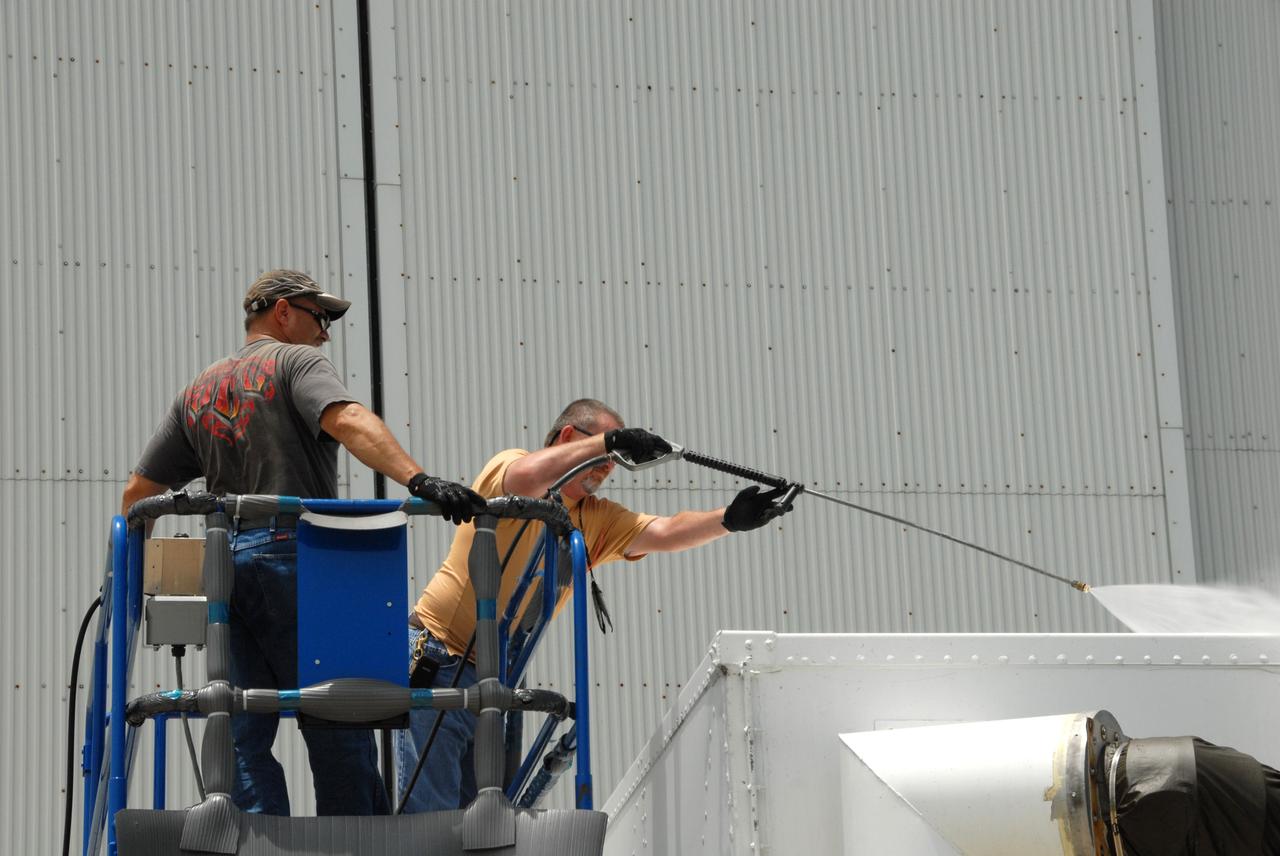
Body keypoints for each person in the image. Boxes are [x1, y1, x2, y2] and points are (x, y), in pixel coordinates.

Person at [120, 269, 485, 817]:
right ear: (283, 310)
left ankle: (260, 843)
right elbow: (349, 419)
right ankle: (355, 843)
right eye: (321, 317)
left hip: (225, 570)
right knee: (340, 713)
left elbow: (137, 494)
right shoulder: (297, 363)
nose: (326, 334)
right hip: (295, 557)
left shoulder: (198, 390)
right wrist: (419, 481)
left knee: (241, 724)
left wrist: (131, 576)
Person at [395, 398, 791, 813]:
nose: (610, 466)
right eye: (607, 454)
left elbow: (664, 531)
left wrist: (730, 519)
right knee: (429, 815)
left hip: (497, 676)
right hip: (441, 658)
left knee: (481, 820)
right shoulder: (512, 467)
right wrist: (609, 441)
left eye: (616, 458)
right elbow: (526, 477)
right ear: (569, 437)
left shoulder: (593, 518)